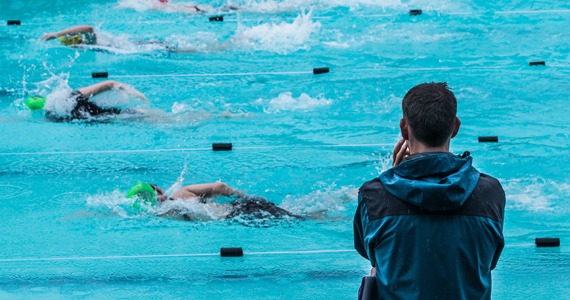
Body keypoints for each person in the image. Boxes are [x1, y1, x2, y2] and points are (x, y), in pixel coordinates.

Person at [353, 82, 505, 299]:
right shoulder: (490, 192)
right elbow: (488, 261)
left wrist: (394, 177)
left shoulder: (374, 195)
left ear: (404, 128)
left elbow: (374, 255)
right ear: (455, 127)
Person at [126, 181, 301, 220]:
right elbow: (220, 187)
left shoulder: (167, 208)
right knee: (296, 217)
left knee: (301, 218)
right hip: (242, 209)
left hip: (244, 212)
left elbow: (219, 187)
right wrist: (240, 195)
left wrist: (242, 198)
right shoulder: (180, 194)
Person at [24, 80, 148, 122]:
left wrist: (135, 93)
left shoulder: (55, 117)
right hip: (122, 116)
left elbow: (110, 84)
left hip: (121, 117)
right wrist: (135, 94)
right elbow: (110, 84)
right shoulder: (71, 99)